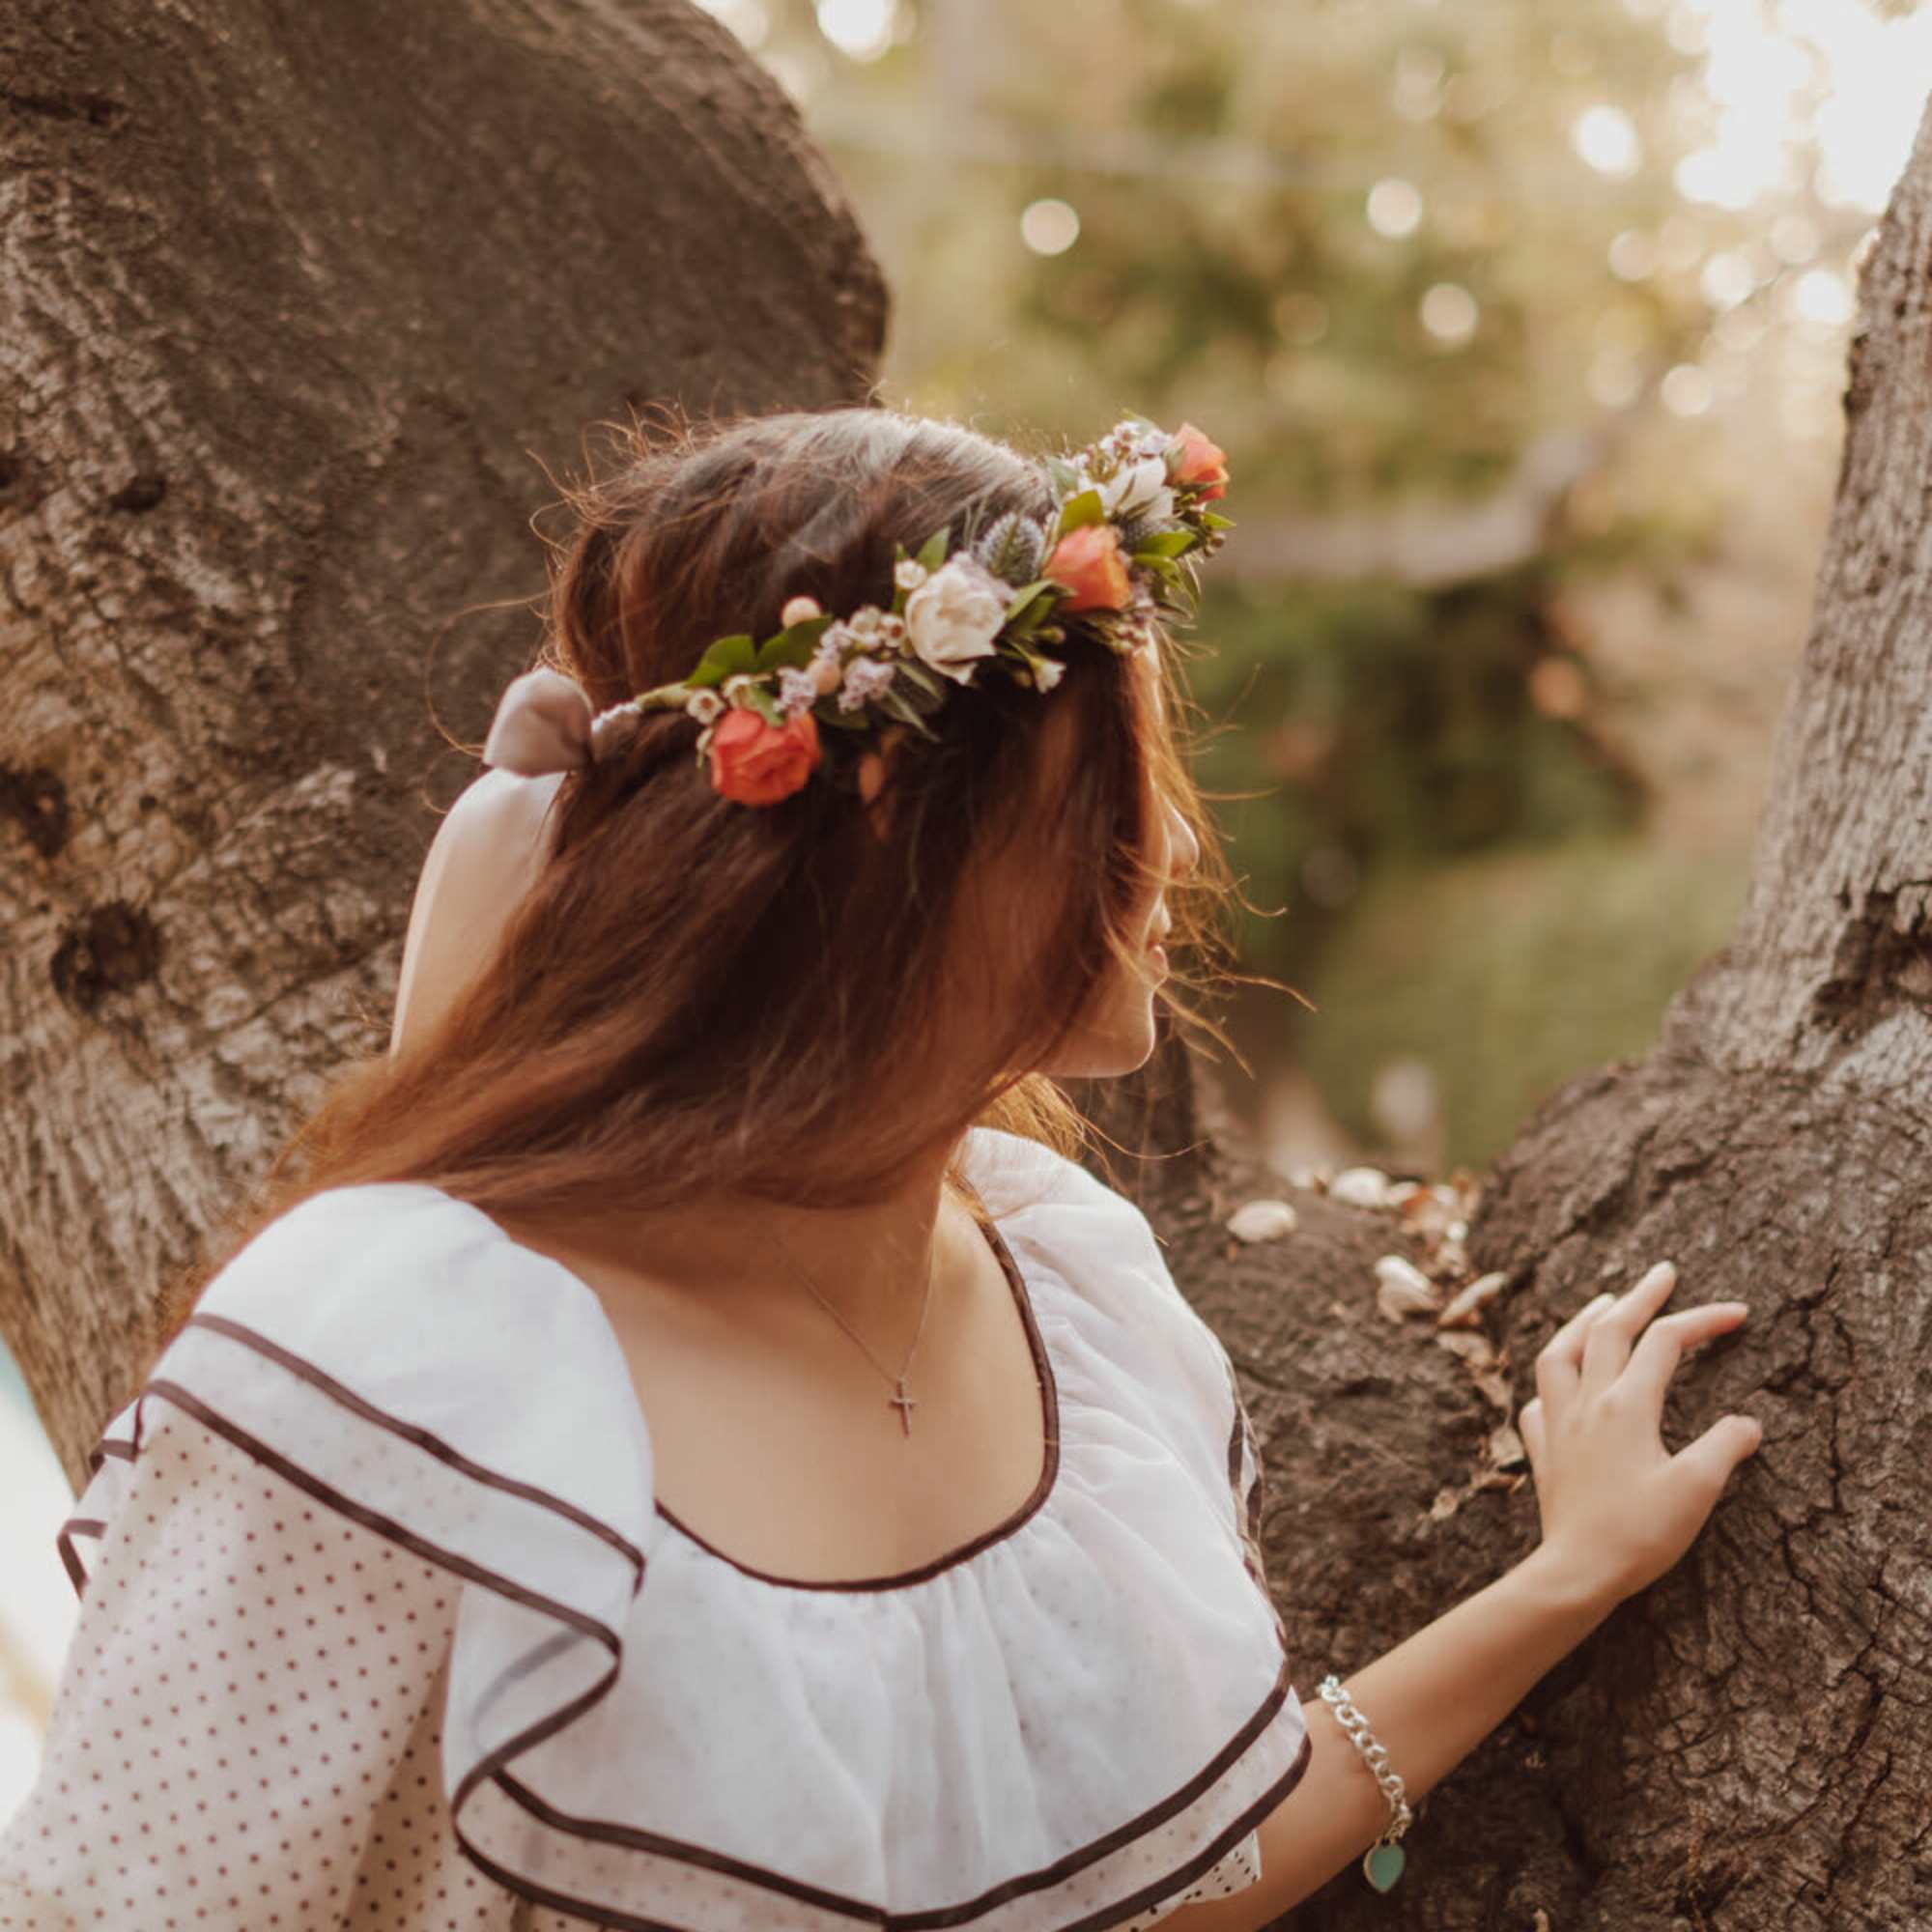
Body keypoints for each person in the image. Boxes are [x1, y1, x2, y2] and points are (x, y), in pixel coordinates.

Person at [0, 406, 1760, 1931]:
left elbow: (1157, 1888)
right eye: (1107, 782)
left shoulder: (1068, 1293)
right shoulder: (401, 1367)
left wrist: (1570, 1575)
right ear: (908, 842)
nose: (1172, 841)